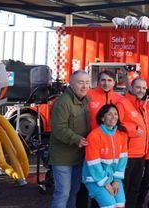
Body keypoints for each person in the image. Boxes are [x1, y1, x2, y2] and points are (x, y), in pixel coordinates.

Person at [50, 70, 91, 208]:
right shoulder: (63, 103)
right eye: (80, 83)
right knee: (63, 193)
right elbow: (59, 128)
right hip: (63, 158)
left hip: (78, 156)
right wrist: (76, 139)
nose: (84, 86)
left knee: (73, 191)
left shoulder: (86, 100)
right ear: (71, 84)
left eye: (87, 83)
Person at [82, 103, 128, 208]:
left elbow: (123, 160)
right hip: (94, 178)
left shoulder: (121, 134)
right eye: (109, 114)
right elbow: (93, 163)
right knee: (109, 204)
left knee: (120, 203)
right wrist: (105, 183)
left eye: (116, 114)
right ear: (102, 118)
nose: (113, 117)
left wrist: (116, 180)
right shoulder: (94, 135)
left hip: (112, 177)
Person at [116, 77, 149, 208]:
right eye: (138, 87)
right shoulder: (123, 103)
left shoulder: (142, 104)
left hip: (141, 153)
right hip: (127, 155)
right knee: (124, 187)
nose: (141, 90)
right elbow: (115, 124)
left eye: (143, 88)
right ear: (131, 88)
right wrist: (133, 130)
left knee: (135, 187)